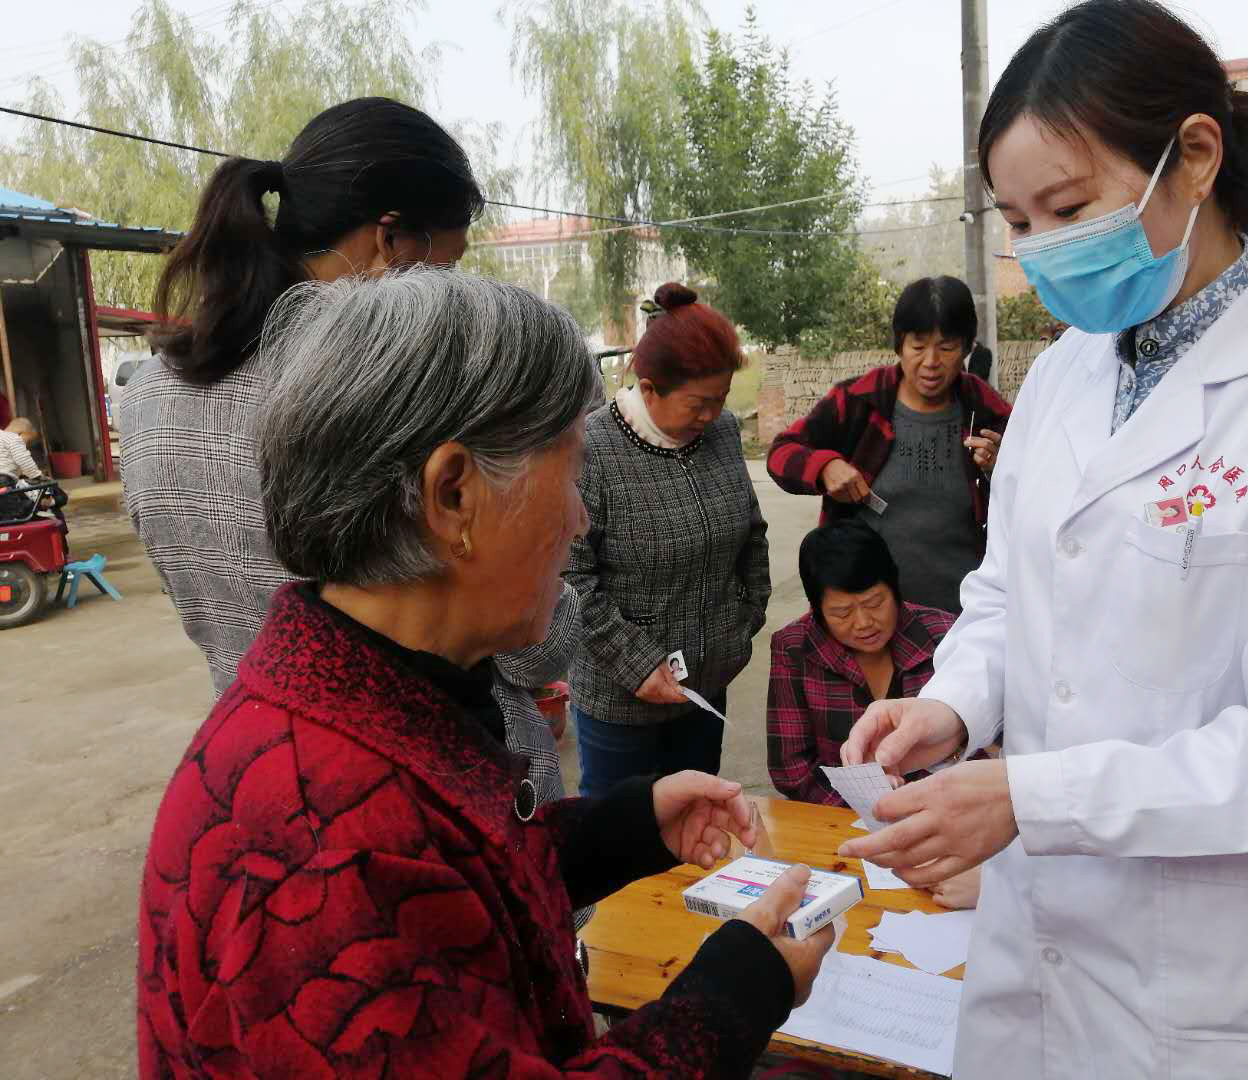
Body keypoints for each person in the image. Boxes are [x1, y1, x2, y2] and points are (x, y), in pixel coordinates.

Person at [836, 2, 1248, 1077]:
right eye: (1019, 222)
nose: (1042, 248)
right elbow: (1009, 593)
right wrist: (954, 704)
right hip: (1045, 962)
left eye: (1068, 208)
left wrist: (1035, 798)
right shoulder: (1064, 375)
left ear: (1194, 157)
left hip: (1244, 988)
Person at [136, 269, 832, 1078]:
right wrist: (733, 996)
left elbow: (459, 876)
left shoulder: (374, 696)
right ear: (454, 495)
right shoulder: (322, 848)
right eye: (569, 474)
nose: (578, 519)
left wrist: (622, 829)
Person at [118, 97, 575, 827]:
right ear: (387, 241)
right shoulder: (403, 395)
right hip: (445, 791)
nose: (447, 294)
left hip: (262, 773)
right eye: (447, 265)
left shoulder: (146, 400)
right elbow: (529, 644)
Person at [565, 282, 770, 798]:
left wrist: (744, 620)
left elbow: (752, 531)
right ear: (649, 389)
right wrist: (635, 665)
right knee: (619, 832)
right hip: (619, 702)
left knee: (697, 820)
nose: (712, 416)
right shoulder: (592, 450)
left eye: (720, 400)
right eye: (698, 404)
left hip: (705, 687)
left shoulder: (721, 432)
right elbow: (569, 578)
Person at [767, 276, 1013, 613]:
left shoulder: (988, 412)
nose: (931, 361)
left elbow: (1041, 497)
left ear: (968, 348)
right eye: (917, 346)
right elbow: (781, 452)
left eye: (946, 347)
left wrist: (1002, 469)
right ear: (899, 345)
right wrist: (824, 467)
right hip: (865, 620)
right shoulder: (859, 401)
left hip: (966, 618)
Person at [766, 522, 977, 909]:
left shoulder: (946, 635)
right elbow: (791, 769)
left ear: (895, 588)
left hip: (946, 833)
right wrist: (872, 817)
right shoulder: (794, 647)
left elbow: (982, 747)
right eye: (842, 612)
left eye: (875, 602)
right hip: (843, 833)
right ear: (817, 610)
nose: (863, 623)